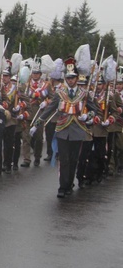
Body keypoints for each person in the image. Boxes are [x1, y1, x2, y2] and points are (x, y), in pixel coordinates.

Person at [33, 58, 99, 198]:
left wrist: (88, 116)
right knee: (64, 159)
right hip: (62, 129)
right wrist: (37, 123)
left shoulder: (83, 94)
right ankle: (62, 186)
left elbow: (95, 109)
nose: (70, 80)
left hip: (78, 130)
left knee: (74, 159)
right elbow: (50, 109)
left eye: (73, 78)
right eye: (68, 78)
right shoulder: (59, 93)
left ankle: (69, 184)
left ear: (76, 78)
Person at [18, 62, 48, 167]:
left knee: (39, 137)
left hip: (39, 113)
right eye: (34, 73)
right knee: (26, 137)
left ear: (40, 74)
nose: (35, 75)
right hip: (28, 112)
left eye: (37, 73)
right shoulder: (25, 85)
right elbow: (20, 96)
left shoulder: (45, 85)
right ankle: (26, 159)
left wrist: (46, 102)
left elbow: (53, 98)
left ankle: (37, 156)